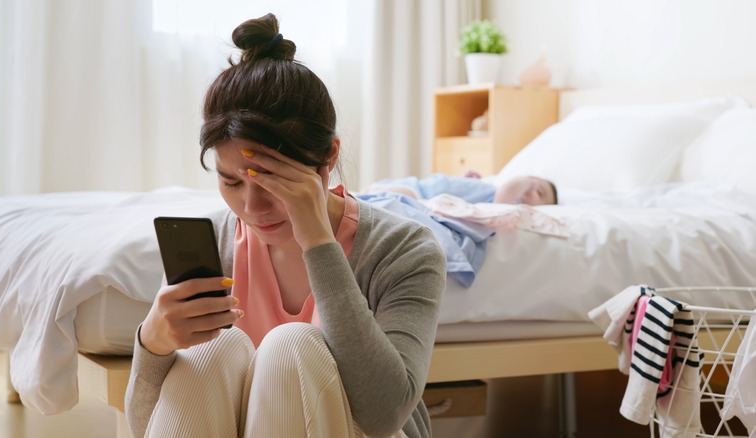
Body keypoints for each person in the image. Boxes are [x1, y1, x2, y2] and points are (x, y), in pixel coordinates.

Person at [124, 13, 446, 438]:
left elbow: (384, 415)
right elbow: (145, 425)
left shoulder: (404, 250)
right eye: (230, 181)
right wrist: (152, 344)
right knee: (211, 350)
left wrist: (317, 240)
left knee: (289, 345)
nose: (252, 206)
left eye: (272, 180)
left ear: (327, 158)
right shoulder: (217, 242)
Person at [366, 173, 558, 205]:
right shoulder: (493, 187)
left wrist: (525, 181)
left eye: (539, 193)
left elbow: (503, 199)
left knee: (376, 197)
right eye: (533, 183)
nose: (531, 189)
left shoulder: (512, 203)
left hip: (424, 195)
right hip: (424, 186)